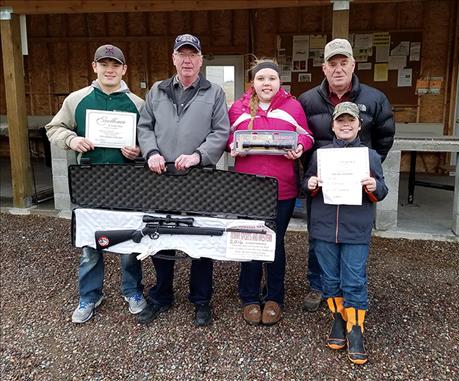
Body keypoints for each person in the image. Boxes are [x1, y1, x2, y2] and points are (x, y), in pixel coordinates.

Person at [45, 44, 146, 323]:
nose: (109, 70)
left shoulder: (137, 104)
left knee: (128, 242)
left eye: (115, 65)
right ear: (95, 67)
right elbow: (54, 128)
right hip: (90, 181)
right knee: (91, 244)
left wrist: (138, 149)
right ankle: (90, 295)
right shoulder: (77, 100)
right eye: (104, 64)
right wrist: (72, 140)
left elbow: (149, 140)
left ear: (124, 69)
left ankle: (132, 290)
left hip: (127, 182)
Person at [136, 34, 230, 327]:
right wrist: (150, 151)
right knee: (161, 237)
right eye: (182, 54)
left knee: (200, 240)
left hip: (199, 178)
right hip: (161, 176)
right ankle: (162, 294)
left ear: (201, 60)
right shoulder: (157, 90)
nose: (187, 60)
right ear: (173, 58)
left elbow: (220, 131)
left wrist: (198, 156)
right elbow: (145, 125)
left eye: (193, 55)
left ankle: (201, 300)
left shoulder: (214, 92)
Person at [298, 38, 395, 312]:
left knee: (353, 235)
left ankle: (350, 291)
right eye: (332, 64)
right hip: (321, 185)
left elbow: (385, 137)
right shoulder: (307, 100)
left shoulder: (375, 99)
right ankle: (319, 286)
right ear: (324, 68)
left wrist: (369, 167)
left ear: (353, 64)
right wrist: (312, 174)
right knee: (318, 236)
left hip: (355, 186)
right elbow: (302, 138)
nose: (338, 69)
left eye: (343, 63)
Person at [228, 59, 314, 326]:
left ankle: (275, 296)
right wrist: (234, 146)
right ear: (253, 82)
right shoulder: (238, 108)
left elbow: (307, 136)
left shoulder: (292, 107)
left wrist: (299, 146)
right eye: (261, 78)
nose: (267, 83)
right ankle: (250, 297)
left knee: (275, 242)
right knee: (250, 240)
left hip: (282, 188)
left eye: (272, 79)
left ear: (279, 82)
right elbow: (228, 137)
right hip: (248, 188)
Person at [303, 101, 388, 364]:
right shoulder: (320, 154)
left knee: (353, 280)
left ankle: (355, 329)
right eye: (340, 120)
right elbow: (305, 183)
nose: (346, 124)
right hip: (324, 228)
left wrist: (374, 185)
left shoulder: (370, 156)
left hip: (355, 229)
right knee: (329, 279)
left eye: (350, 120)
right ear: (333, 125)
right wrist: (311, 183)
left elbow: (382, 190)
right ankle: (338, 320)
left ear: (359, 125)